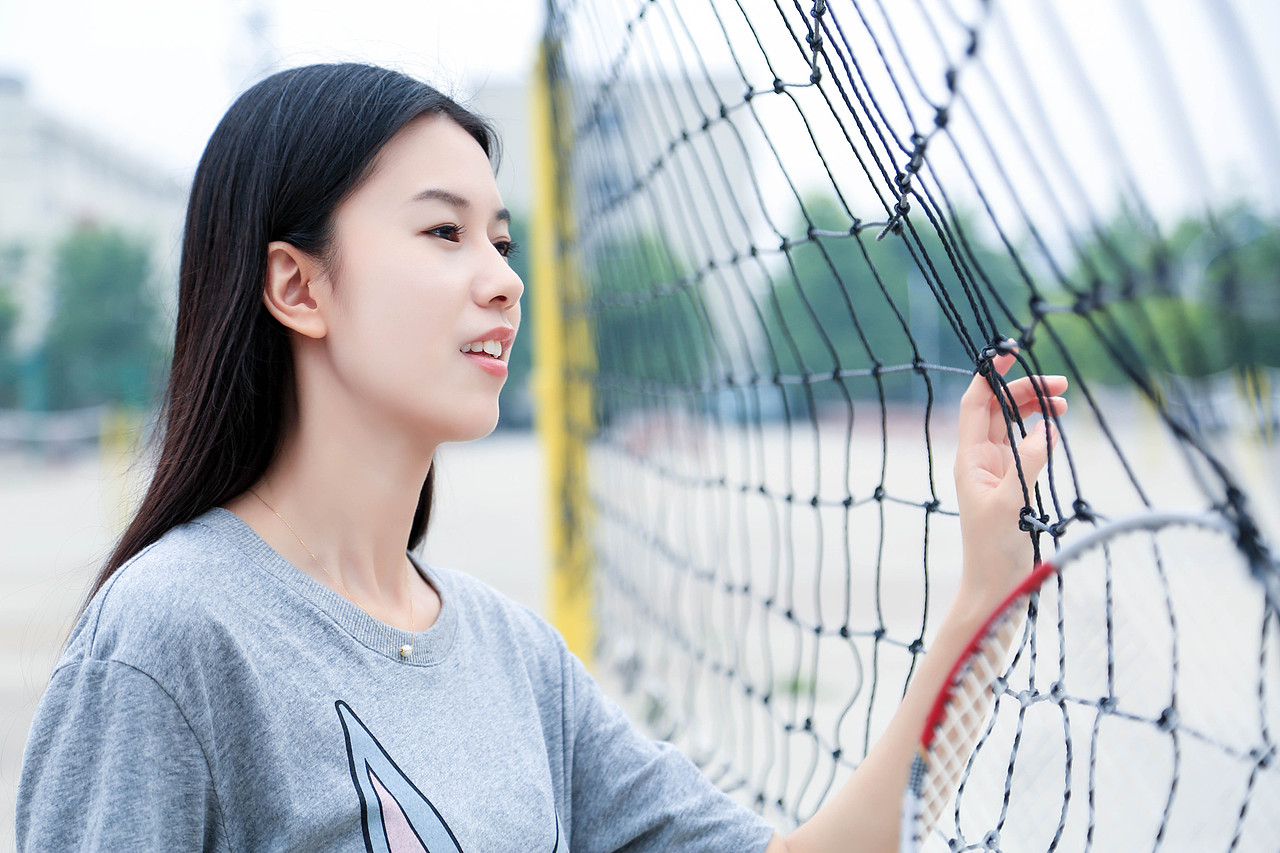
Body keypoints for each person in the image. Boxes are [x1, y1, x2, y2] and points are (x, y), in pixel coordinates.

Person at [15, 63, 1067, 852]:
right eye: (444, 233)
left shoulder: (516, 658)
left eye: (502, 241)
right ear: (298, 286)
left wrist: (985, 598)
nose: (503, 280)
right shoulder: (170, 637)